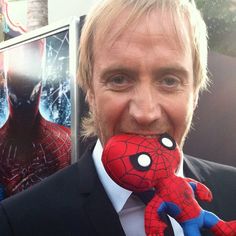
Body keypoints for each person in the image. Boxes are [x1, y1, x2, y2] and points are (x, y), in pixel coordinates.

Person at [0, 0, 236, 235]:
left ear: (195, 93)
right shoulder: (20, 223)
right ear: (90, 92)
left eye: (169, 81)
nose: (145, 113)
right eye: (119, 79)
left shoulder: (232, 191)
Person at [0, 40, 71, 200]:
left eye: (29, 84)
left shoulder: (65, 141)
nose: (23, 97)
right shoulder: (65, 140)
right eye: (17, 82)